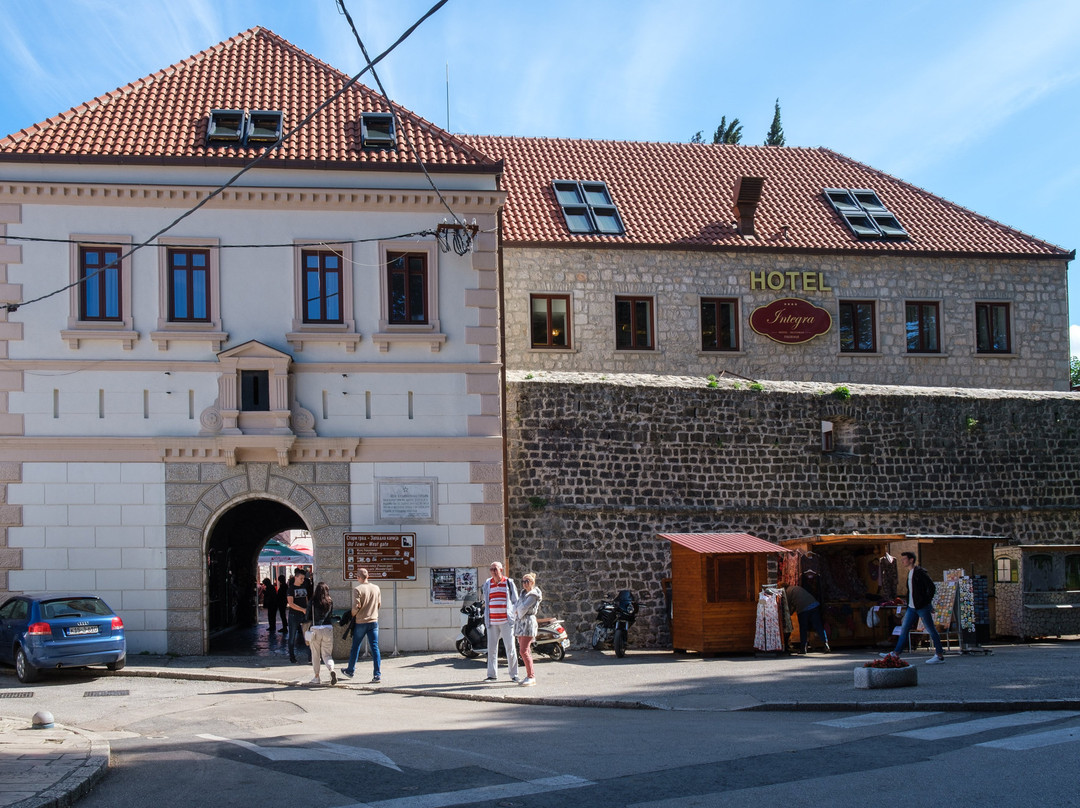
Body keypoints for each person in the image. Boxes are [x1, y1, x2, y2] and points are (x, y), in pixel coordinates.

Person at [886, 551, 945, 664]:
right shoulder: (909, 573)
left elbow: (931, 587)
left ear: (911, 560)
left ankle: (939, 655)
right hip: (911, 607)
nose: (903, 561)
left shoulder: (919, 572)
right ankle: (896, 654)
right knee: (904, 629)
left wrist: (926, 602)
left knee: (931, 630)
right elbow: (911, 591)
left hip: (921, 607)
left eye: (904, 559)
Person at [342, 568, 382, 683]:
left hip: (361, 622)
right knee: (375, 648)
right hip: (373, 621)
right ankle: (377, 675)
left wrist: (352, 614)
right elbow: (379, 604)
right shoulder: (376, 588)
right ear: (368, 576)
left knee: (355, 647)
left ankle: (350, 670)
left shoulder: (357, 589)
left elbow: (356, 607)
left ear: (359, 577)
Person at [483, 561, 519, 682]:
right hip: (492, 621)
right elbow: (486, 600)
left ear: (501, 570)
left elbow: (515, 601)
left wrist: (512, 615)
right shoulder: (488, 583)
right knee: (492, 649)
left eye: (495, 569)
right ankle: (492, 675)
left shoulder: (509, 583)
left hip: (506, 621)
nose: (493, 571)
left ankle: (514, 674)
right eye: (491, 569)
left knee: (510, 648)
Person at [513, 573, 542, 686]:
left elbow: (523, 607)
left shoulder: (533, 595)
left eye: (527, 581)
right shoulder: (523, 593)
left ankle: (531, 676)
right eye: (523, 581)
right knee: (525, 650)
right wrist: (517, 610)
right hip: (521, 623)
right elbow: (518, 605)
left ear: (532, 582)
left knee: (523, 650)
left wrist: (517, 610)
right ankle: (529, 675)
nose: (525, 583)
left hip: (528, 623)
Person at [306, 581, 337, 686]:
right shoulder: (330, 601)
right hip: (328, 628)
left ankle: (317, 677)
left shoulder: (313, 601)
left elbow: (307, 616)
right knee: (327, 654)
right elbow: (331, 615)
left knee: (315, 654)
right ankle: (331, 669)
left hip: (316, 629)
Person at [784, 584, 829, 654]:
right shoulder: (796, 588)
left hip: (803, 609)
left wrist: (788, 615)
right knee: (818, 626)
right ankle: (826, 644)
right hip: (814, 605)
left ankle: (803, 648)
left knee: (803, 628)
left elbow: (788, 606)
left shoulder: (787, 592)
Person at [286, 568, 311, 664]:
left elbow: (306, 600)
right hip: (294, 615)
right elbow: (291, 604)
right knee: (292, 636)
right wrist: (302, 609)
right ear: (296, 577)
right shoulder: (291, 589)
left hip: (304, 615)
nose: (303, 580)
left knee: (308, 636)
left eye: (303, 578)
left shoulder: (304, 587)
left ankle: (310, 656)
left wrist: (307, 609)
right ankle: (292, 657)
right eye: (301, 578)